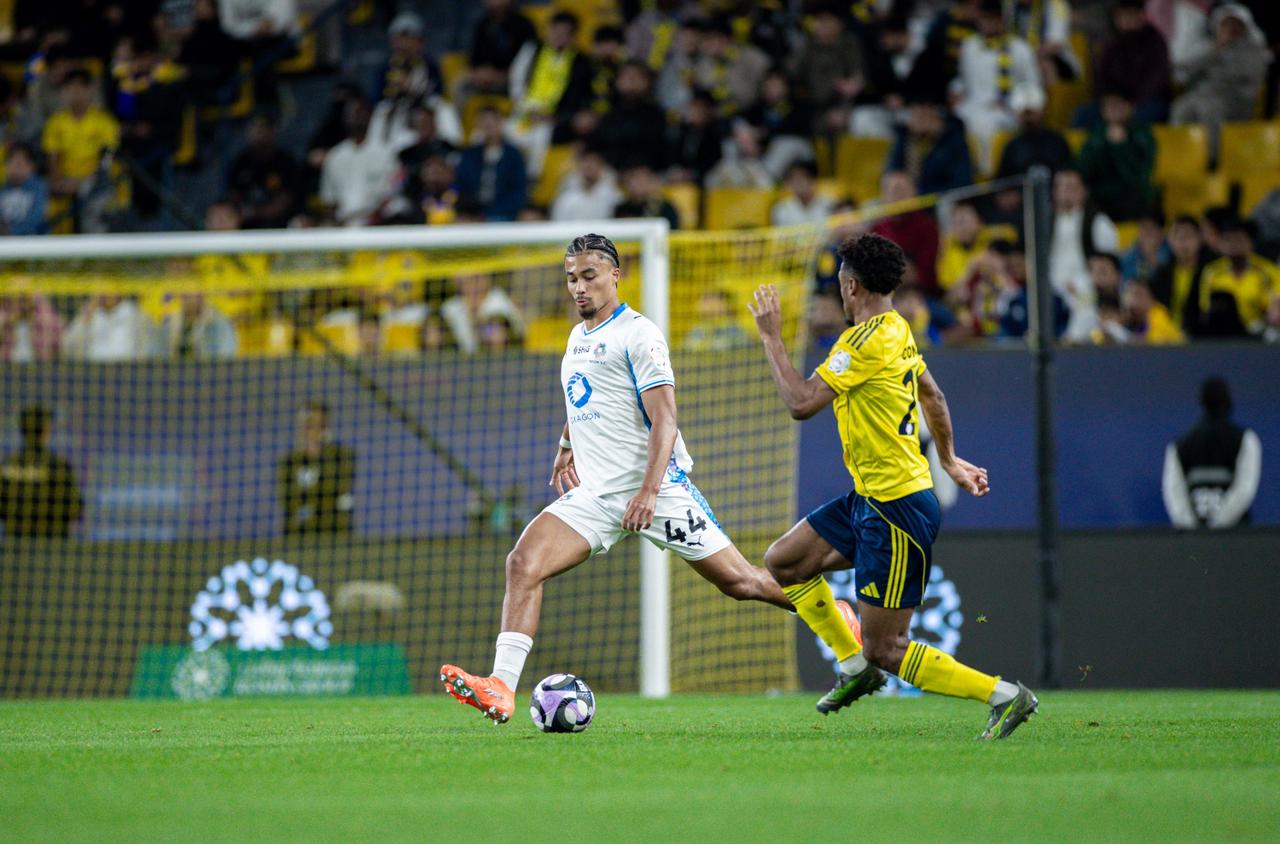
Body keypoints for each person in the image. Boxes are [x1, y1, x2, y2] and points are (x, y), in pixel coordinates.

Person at [438, 234, 857, 725]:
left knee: (741, 582)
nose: (579, 287)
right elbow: (587, 394)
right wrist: (566, 444)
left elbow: (665, 419)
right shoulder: (577, 337)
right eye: (571, 278)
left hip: (658, 492)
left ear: (615, 275)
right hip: (597, 495)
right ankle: (502, 687)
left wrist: (649, 491)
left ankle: (838, 614)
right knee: (523, 563)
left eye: (589, 276)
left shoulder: (639, 334)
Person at [745, 233, 1036, 739]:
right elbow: (933, 395)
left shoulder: (860, 343)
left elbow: (801, 402)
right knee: (785, 561)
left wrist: (772, 337)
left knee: (886, 648)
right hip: (871, 497)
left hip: (896, 508)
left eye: (840, 282)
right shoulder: (898, 328)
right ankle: (853, 667)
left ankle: (1004, 695)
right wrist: (948, 459)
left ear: (851, 286)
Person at [953, 0, 1044, 172]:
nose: (988, 24)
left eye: (993, 19)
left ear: (1002, 20)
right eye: (984, 19)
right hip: (973, 105)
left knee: (986, 126)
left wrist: (1015, 105)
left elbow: (1032, 86)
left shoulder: (1020, 48)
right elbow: (962, 80)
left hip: (1008, 109)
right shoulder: (970, 45)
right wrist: (955, 92)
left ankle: (988, 175)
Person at [1163, 377, 1261, 529]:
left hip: (1196, 538)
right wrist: (1217, 527)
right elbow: (1244, 489)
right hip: (1236, 537)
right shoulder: (1246, 439)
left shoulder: (1179, 445)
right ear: (1228, 402)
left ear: (1201, 402)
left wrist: (1193, 529)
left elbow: (1174, 494)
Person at [1171, 4, 1268, 140]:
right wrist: (1215, 48)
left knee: (1209, 110)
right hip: (1202, 95)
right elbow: (1184, 66)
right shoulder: (1210, 45)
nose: (1231, 28)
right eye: (1226, 24)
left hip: (1235, 98)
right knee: (1180, 109)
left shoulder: (1252, 48)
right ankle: (1181, 149)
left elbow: (1250, 76)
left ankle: (1213, 153)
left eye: (1236, 24)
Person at [0, 405, 82, 538]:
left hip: (16, 545)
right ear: (46, 430)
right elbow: (74, 509)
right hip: (53, 544)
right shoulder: (58, 467)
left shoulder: (7, 466)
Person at [318, 98, 400, 226]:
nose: (355, 118)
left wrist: (374, 217)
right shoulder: (335, 156)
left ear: (370, 117)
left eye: (360, 113)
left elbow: (393, 192)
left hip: (377, 223)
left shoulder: (386, 152)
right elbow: (329, 200)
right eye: (350, 114)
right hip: (344, 224)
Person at [278, 401, 355, 535]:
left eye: (313, 424)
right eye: (303, 424)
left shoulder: (342, 456)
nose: (306, 430)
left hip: (335, 533)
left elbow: (339, 487)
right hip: (299, 534)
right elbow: (288, 499)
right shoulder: (289, 461)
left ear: (325, 427)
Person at [1077, 93, 1156, 223]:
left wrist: (1121, 147)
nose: (1112, 110)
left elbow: (1139, 177)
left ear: (1130, 107)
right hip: (1100, 198)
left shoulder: (1142, 135)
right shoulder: (1095, 134)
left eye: (1117, 105)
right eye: (1108, 106)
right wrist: (1103, 144)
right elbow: (1085, 169)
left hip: (1132, 197)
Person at [1194, 217, 1278, 337]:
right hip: (1223, 334)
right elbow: (1205, 310)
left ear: (1251, 243)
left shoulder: (1268, 271)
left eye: (1239, 240)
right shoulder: (1211, 271)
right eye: (1228, 240)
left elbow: (1274, 310)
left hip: (1259, 333)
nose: (1233, 245)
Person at [886, 95, 974, 196]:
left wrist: (919, 191)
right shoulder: (904, 138)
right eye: (915, 115)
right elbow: (891, 169)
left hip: (938, 199)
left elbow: (963, 183)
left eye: (924, 115)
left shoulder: (954, 141)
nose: (920, 121)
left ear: (937, 117)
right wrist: (898, 181)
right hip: (904, 197)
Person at [227, 111, 301, 229]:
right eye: (256, 129)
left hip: (280, 225)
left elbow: (286, 200)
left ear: (273, 132)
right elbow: (234, 196)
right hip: (246, 224)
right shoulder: (241, 162)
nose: (260, 134)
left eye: (264, 129)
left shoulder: (286, 162)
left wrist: (255, 212)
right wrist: (241, 212)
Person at [454, 106, 527, 222]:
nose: (488, 127)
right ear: (478, 126)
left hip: (504, 213)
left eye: (492, 123)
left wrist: (492, 213)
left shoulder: (514, 156)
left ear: (501, 123)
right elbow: (461, 186)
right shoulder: (469, 155)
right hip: (472, 214)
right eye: (484, 123)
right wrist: (469, 212)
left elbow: (519, 191)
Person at [1151, 214, 1214, 333]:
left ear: (1200, 238)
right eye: (1176, 235)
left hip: (1200, 337)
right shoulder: (1161, 274)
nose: (1182, 241)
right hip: (1166, 336)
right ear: (1169, 240)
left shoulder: (1211, 272)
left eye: (1188, 235)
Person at [61, 294, 152, 360]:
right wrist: (85, 320)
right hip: (93, 371)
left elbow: (147, 346)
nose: (107, 293)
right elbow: (68, 346)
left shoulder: (135, 313)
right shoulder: (88, 313)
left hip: (127, 370)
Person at [550, 146, 621, 222]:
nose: (589, 168)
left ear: (601, 168)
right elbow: (558, 224)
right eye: (586, 165)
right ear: (579, 167)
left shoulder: (613, 196)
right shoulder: (566, 197)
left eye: (594, 164)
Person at [613, 163, 680, 231]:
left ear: (652, 182)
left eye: (643, 179)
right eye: (635, 179)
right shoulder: (621, 208)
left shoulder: (664, 206)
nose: (639, 184)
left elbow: (673, 230)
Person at [0, 142, 48, 235]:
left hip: (31, 238)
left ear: (32, 166)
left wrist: (12, 232)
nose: (15, 168)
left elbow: (36, 218)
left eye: (19, 164)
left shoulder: (38, 188)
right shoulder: (3, 188)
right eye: (11, 163)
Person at [771, 160, 834, 227]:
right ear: (787, 184)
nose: (798, 184)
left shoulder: (830, 204)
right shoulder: (781, 209)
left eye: (803, 178)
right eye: (793, 179)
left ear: (814, 180)